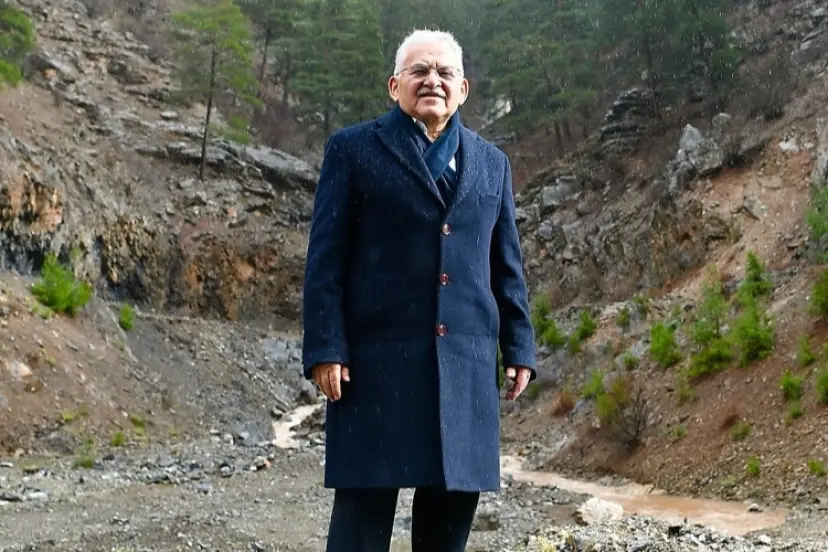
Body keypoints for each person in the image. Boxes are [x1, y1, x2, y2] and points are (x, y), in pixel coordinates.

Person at [301, 28, 537, 552]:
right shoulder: (353, 149)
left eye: (445, 72)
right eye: (419, 71)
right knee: (360, 527)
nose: (433, 80)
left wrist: (519, 345)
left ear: (463, 89)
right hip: (374, 366)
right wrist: (325, 347)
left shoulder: (492, 163)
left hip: (465, 364)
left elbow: (506, 266)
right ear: (394, 86)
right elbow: (325, 260)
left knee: (448, 525)